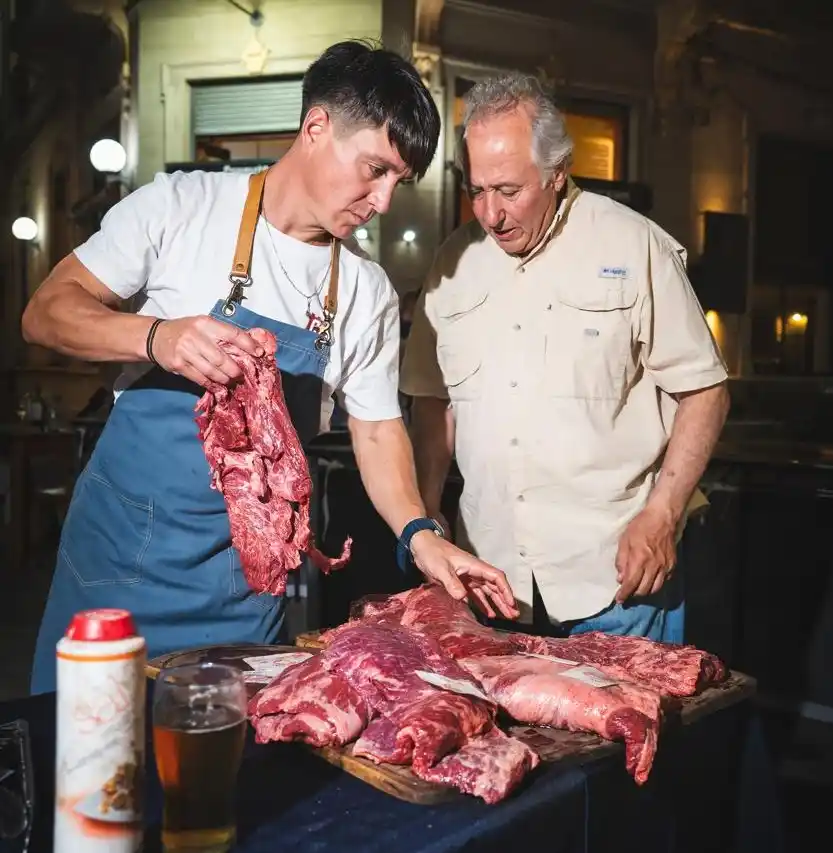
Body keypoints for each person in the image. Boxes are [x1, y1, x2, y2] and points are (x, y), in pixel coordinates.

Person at [23, 41, 516, 695]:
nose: (382, 201)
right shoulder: (181, 207)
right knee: (88, 744)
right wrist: (156, 336)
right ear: (316, 127)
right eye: (375, 169)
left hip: (245, 585)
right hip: (120, 564)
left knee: (232, 751)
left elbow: (376, 429)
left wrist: (420, 532)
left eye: (398, 181)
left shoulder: (362, 288)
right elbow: (46, 312)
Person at [401, 72, 730, 644]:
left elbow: (705, 392)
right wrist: (428, 511)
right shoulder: (453, 262)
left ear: (557, 172)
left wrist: (662, 515)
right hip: (490, 580)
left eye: (509, 191)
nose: (491, 214)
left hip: (616, 582)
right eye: (477, 191)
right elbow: (433, 400)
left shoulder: (635, 246)